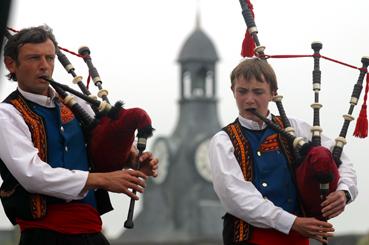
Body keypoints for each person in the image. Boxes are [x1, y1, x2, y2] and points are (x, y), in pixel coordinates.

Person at [0, 25, 158, 245]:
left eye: (50, 58)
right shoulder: (7, 115)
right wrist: (102, 180)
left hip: (92, 232)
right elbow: (32, 175)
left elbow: (97, 148)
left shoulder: (77, 104)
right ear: (11, 64)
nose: (44, 66)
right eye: (34, 58)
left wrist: (131, 160)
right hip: (43, 236)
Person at [209, 58, 357, 245]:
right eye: (242, 91)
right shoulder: (223, 141)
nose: (249, 99)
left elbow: (340, 160)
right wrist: (292, 222)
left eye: (258, 92)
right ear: (233, 91)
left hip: (298, 237)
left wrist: (344, 192)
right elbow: (235, 197)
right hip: (250, 239)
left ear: (273, 93)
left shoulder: (294, 127)